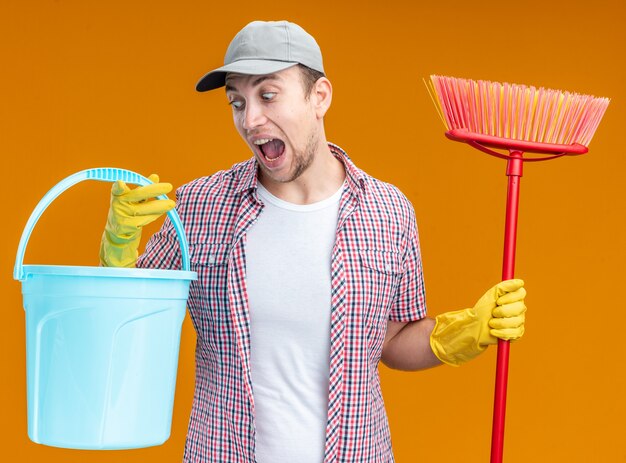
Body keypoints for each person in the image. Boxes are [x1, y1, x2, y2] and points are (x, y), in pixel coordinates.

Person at [100, 20, 527, 463]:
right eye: (237, 102)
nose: (250, 120)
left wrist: (461, 335)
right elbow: (123, 324)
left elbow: (393, 340)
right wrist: (118, 246)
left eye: (268, 95)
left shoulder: (388, 212)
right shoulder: (198, 207)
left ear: (319, 96)